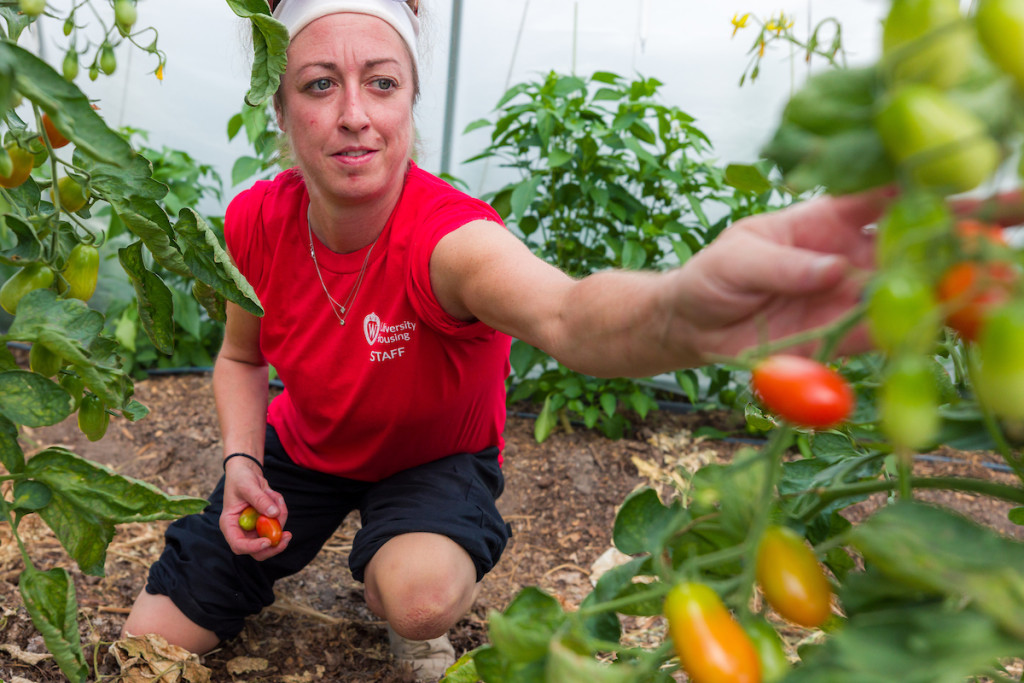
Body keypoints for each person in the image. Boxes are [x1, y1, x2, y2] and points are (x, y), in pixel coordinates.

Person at [122, 0, 888, 679]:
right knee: (155, 637)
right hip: (308, 448)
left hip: (433, 456)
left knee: (417, 599)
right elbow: (240, 356)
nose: (354, 112)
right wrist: (243, 460)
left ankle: (400, 577)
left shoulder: (448, 240)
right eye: (320, 84)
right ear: (283, 112)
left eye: (382, 82)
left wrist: (688, 308)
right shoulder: (256, 222)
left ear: (411, 102)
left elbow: (567, 314)